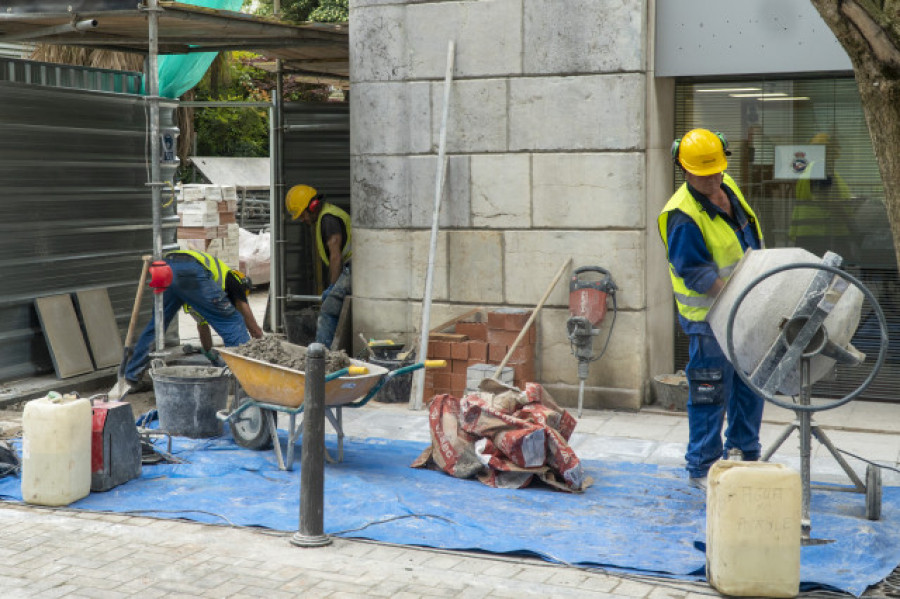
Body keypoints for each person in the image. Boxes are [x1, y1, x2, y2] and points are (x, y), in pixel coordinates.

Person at [657, 128, 766, 488]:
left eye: (717, 170)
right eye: (703, 174)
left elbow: (746, 238)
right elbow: (695, 272)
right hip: (709, 321)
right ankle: (702, 467)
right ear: (683, 169)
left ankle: (745, 454)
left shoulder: (727, 186)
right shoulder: (681, 216)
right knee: (710, 393)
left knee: (750, 386)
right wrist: (733, 299)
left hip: (744, 311)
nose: (712, 178)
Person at [124, 249, 264, 389]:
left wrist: (211, 356)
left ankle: (132, 377)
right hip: (190, 269)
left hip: (165, 268)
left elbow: (202, 326)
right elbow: (242, 307)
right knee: (233, 321)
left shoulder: (202, 293)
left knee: (156, 326)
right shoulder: (234, 279)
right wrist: (258, 335)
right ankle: (248, 381)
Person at [285, 184, 352, 348]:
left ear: (312, 206)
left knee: (328, 310)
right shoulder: (327, 215)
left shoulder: (328, 219)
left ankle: (322, 355)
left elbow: (336, 257)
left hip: (354, 267)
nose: (303, 220)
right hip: (354, 266)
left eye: (302, 215)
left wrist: (332, 287)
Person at [789, 132, 854, 259]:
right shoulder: (821, 168)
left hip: (812, 234)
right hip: (820, 235)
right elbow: (826, 201)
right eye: (836, 147)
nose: (839, 150)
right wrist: (852, 225)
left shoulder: (813, 168)